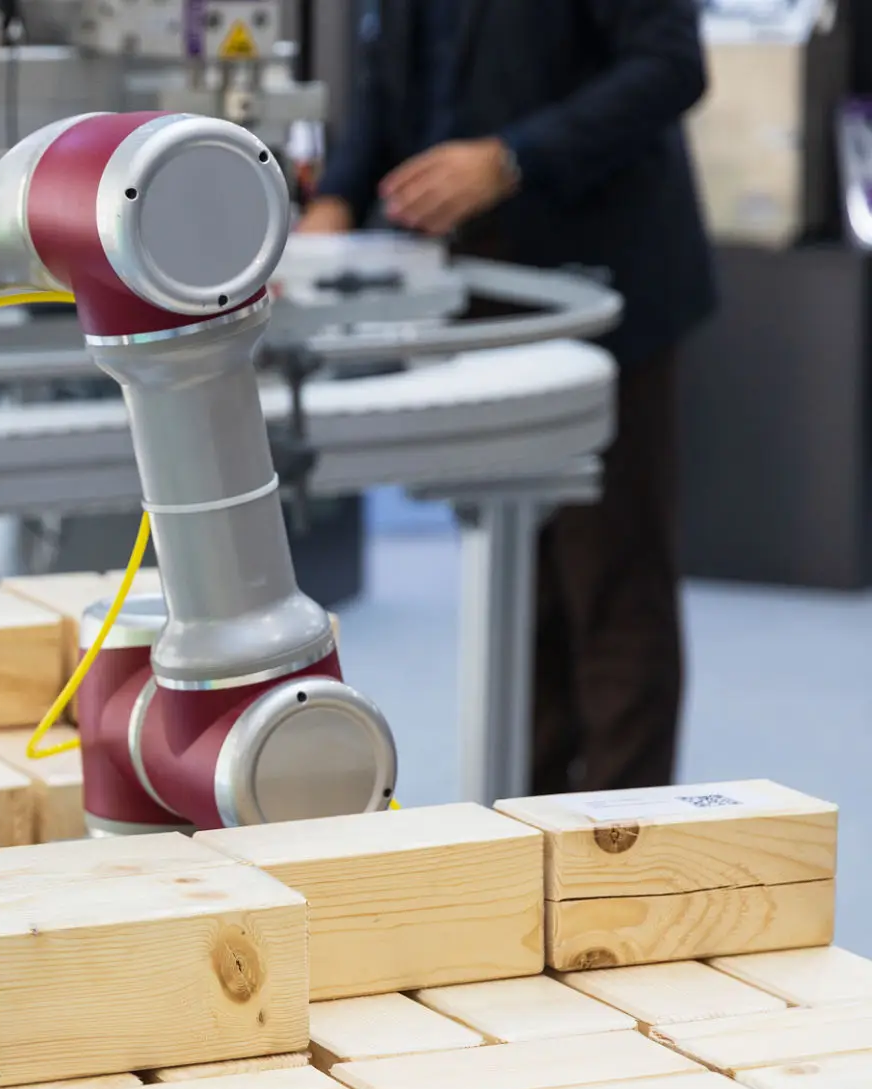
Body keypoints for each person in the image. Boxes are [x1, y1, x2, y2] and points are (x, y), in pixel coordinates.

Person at [299, 0, 716, 795]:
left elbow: (671, 66)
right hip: (483, 304)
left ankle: (623, 849)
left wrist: (512, 158)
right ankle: (529, 829)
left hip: (606, 293)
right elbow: (389, 80)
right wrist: (337, 200)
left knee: (614, 590)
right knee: (519, 590)